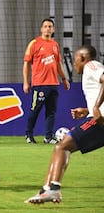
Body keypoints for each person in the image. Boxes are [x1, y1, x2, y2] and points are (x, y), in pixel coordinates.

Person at [25, 44, 104, 204]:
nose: (74, 63)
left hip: (101, 121)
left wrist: (96, 107)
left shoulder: (91, 65)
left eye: (75, 59)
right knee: (61, 147)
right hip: (99, 118)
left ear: (83, 58)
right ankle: (46, 190)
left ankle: (53, 190)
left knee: (63, 146)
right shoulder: (91, 70)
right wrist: (86, 109)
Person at [23, 18, 70, 144]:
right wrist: (26, 82)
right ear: (41, 29)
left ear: (53, 29)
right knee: (35, 110)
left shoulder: (55, 45)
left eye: (50, 26)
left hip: (54, 84)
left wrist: (64, 79)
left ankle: (48, 137)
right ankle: (28, 135)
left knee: (51, 112)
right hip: (39, 84)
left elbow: (58, 64)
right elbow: (26, 64)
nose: (48, 28)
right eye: (45, 26)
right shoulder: (34, 43)